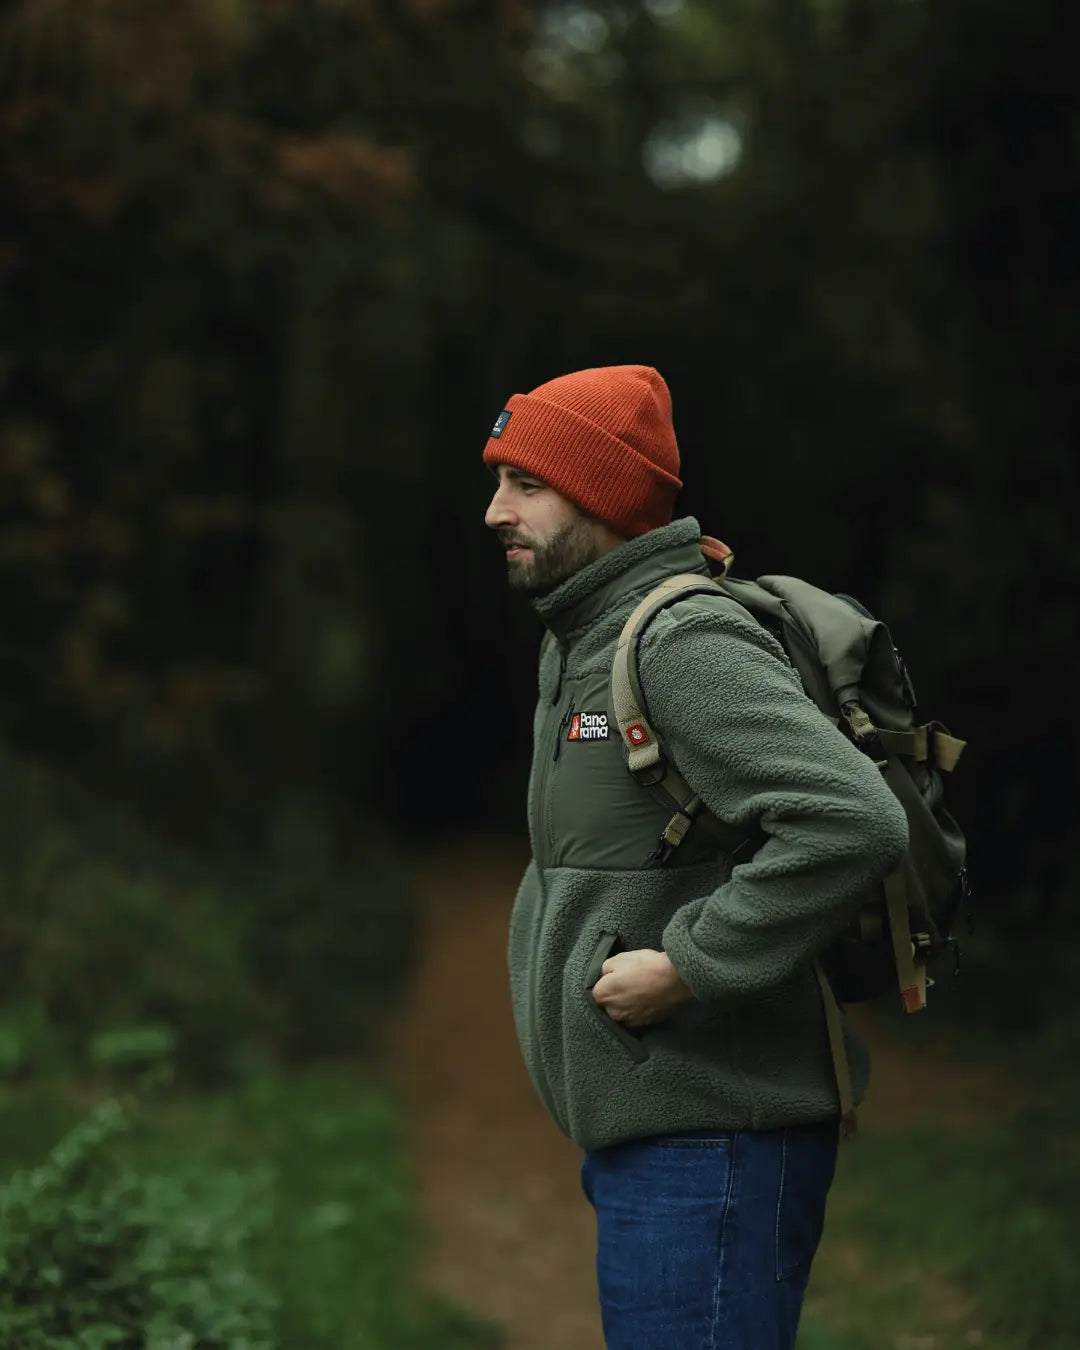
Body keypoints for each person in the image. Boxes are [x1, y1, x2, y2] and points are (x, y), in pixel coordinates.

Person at [482, 364, 909, 1350]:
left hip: (715, 1135)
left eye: (526, 483)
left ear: (606, 492)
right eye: (498, 479)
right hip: (658, 1126)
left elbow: (851, 818)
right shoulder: (576, 639)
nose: (495, 510)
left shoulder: (682, 642)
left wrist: (688, 966)